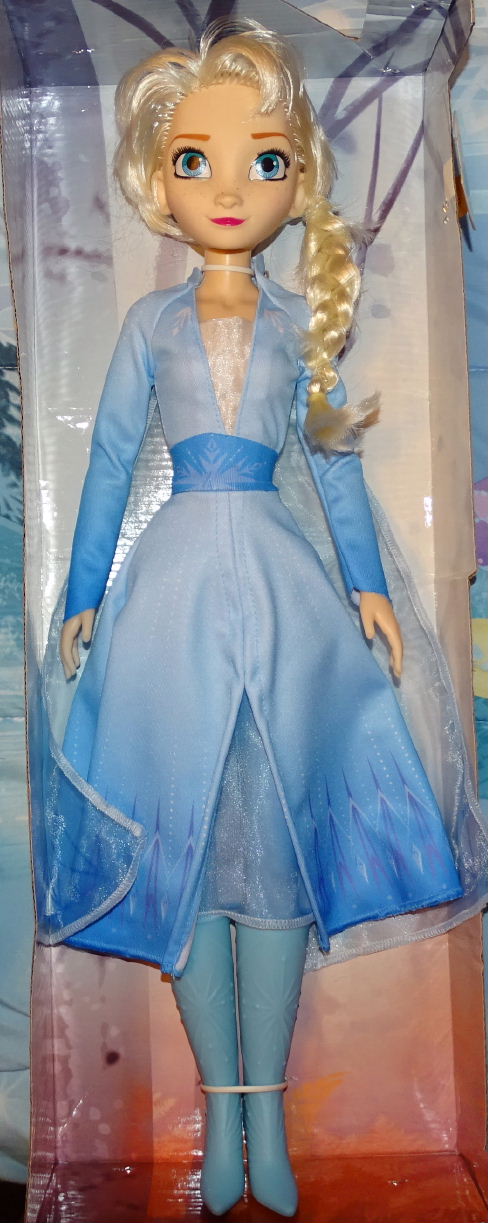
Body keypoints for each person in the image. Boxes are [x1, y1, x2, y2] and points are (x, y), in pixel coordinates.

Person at [40, 19, 484, 1218]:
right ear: (159, 177)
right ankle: (222, 1109)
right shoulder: (150, 327)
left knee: (274, 850)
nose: (230, 188)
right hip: (172, 593)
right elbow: (110, 462)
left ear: (297, 180)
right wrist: (83, 594)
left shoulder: (299, 326)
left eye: (264, 160)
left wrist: (367, 585)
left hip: (284, 599)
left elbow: (332, 464)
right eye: (196, 160)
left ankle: (264, 1112)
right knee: (183, 845)